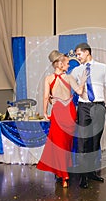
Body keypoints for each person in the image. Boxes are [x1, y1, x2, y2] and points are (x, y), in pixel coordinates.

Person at [36, 50, 87, 188]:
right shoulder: (69, 78)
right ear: (59, 63)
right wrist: (82, 82)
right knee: (65, 144)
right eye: (66, 63)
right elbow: (79, 92)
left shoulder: (48, 79)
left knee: (58, 144)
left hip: (58, 111)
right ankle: (63, 174)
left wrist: (45, 112)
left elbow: (46, 97)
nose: (68, 65)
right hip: (69, 111)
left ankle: (62, 174)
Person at [71, 42, 106, 189]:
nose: (77, 57)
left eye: (79, 54)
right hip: (83, 106)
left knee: (95, 141)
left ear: (87, 52)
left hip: (98, 107)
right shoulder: (76, 70)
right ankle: (83, 176)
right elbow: (67, 85)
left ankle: (91, 172)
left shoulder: (102, 68)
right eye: (76, 55)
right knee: (83, 141)